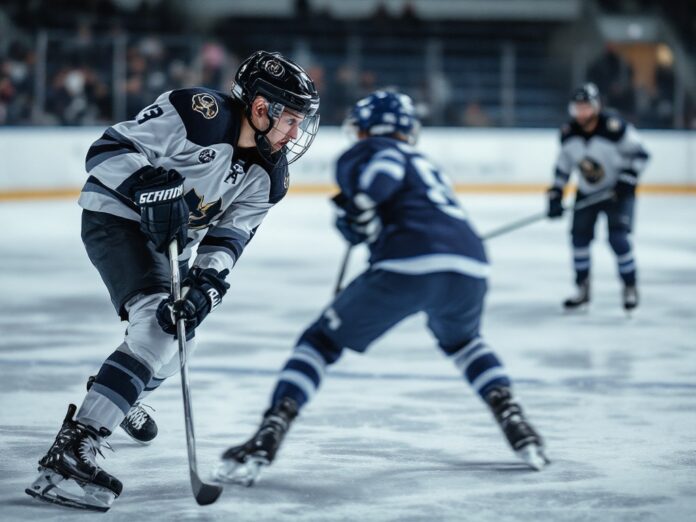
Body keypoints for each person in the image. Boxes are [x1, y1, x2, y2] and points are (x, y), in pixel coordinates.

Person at [25, 50, 320, 512]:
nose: (295, 133)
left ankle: (115, 393)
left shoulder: (270, 176)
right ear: (262, 108)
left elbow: (229, 238)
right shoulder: (199, 114)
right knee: (157, 332)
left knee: (182, 341)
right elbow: (104, 152)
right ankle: (69, 452)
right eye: (291, 120)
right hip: (117, 218)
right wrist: (148, 185)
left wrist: (206, 286)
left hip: (173, 243)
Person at [214, 90, 549, 487]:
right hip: (469, 266)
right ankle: (512, 416)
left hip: (408, 263)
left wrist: (362, 205)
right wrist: (364, 219)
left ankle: (270, 432)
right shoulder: (425, 162)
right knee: (465, 343)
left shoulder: (374, 149)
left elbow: (381, 175)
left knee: (319, 342)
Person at [546, 82, 649, 313]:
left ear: (596, 106)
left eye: (586, 107)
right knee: (579, 240)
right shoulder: (568, 133)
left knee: (618, 240)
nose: (581, 112)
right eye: (577, 107)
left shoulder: (615, 127)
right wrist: (556, 193)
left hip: (617, 194)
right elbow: (563, 166)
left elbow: (641, 155)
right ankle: (582, 289)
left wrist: (627, 179)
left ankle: (630, 286)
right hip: (587, 193)